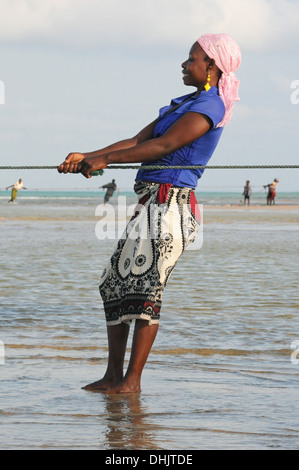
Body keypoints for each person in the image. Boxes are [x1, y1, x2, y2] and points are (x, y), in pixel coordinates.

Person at [58, 33, 241, 394]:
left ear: (211, 67)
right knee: (114, 282)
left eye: (192, 58)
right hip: (149, 203)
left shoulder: (211, 106)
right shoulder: (182, 105)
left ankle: (132, 382)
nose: (185, 64)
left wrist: (105, 160)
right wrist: (88, 155)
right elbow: (137, 142)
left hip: (171, 206)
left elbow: (165, 146)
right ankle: (113, 376)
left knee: (146, 290)